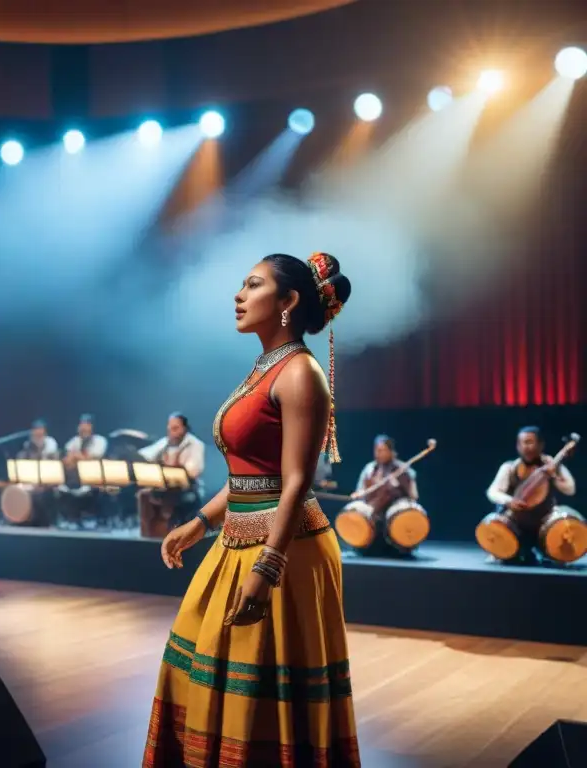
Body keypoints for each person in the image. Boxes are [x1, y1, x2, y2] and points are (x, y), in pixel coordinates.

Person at [142, 252, 359, 767]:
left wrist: (268, 565)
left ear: (288, 302)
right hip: (235, 540)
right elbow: (248, 476)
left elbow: (296, 481)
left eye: (253, 284)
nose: (239, 295)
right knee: (199, 663)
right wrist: (198, 523)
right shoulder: (263, 369)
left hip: (283, 550)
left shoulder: (299, 372)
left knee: (264, 684)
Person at [485, 426, 576, 564]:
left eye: (529, 442)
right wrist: (509, 500)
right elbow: (492, 492)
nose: (525, 447)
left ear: (540, 445)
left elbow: (570, 490)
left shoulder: (552, 466)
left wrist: (554, 475)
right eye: (521, 443)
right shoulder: (509, 467)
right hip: (517, 526)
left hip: (542, 527)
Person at [136, 413, 206, 538]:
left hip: (187, 489)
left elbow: (193, 472)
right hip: (165, 486)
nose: (171, 432)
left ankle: (171, 532)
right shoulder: (165, 442)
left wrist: (169, 468)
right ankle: (149, 534)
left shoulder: (195, 445)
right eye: (169, 428)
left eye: (175, 428)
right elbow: (146, 455)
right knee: (144, 495)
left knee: (170, 496)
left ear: (184, 428)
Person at [349, 434, 419, 555]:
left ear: (391, 452)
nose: (378, 453)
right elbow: (361, 491)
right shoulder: (369, 469)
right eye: (376, 450)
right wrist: (358, 494)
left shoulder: (403, 469)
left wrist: (398, 482)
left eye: (382, 450)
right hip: (373, 510)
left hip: (396, 513)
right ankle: (363, 540)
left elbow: (414, 496)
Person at [59, 414, 109, 526]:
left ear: (92, 427)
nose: (83, 428)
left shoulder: (100, 441)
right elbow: (66, 460)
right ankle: (70, 519)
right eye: (81, 425)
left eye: (87, 425)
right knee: (61, 486)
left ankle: (93, 519)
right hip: (74, 478)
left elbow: (92, 458)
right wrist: (74, 458)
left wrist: (76, 456)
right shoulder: (74, 441)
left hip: (93, 479)